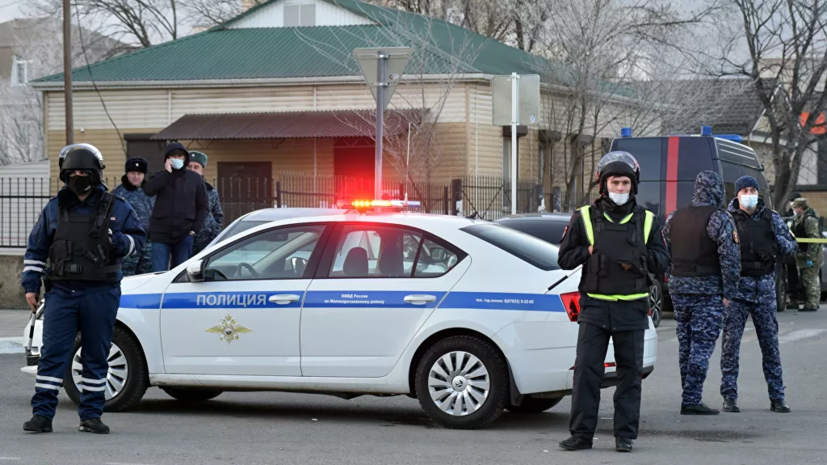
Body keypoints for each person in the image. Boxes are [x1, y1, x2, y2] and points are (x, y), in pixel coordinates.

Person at [21, 144, 146, 434]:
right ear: (66, 175)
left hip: (100, 291)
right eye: (74, 172)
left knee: (95, 354)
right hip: (61, 292)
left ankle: (90, 416)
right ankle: (42, 415)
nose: (79, 176)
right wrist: (30, 285)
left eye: (84, 171)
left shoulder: (118, 206)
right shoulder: (54, 207)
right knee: (53, 354)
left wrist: (121, 242)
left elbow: (139, 241)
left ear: (96, 173)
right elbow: (36, 249)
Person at [557, 151, 669, 453]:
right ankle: (581, 435)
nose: (620, 189)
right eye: (614, 183)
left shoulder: (647, 220)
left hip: (632, 308)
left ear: (633, 186)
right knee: (586, 373)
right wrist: (589, 250)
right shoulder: (583, 218)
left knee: (629, 375)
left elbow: (663, 260)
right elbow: (564, 259)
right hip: (594, 307)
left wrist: (641, 257)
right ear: (603, 185)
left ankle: (625, 436)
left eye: (625, 184)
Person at [663, 170, 740, 415]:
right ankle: (692, 399)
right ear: (716, 188)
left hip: (678, 287)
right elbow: (730, 259)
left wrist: (671, 277)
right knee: (702, 345)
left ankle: (689, 394)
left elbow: (665, 250)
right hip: (707, 290)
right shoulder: (720, 218)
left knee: (685, 344)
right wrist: (729, 291)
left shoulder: (675, 216)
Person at [719, 176, 795, 414]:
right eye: (745, 190)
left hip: (764, 289)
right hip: (737, 290)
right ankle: (729, 396)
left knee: (770, 345)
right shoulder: (726, 219)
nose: (749, 194)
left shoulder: (771, 219)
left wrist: (775, 243)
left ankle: (777, 396)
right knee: (730, 346)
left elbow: (792, 247)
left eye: (753, 190)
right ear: (737, 194)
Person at [144, 142, 208, 271]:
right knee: (158, 273)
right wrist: (167, 174)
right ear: (167, 159)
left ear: (185, 158)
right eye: (173, 156)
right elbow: (149, 190)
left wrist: (194, 230)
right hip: (160, 234)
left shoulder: (195, 178)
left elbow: (203, 206)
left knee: (180, 275)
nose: (177, 159)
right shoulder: (160, 176)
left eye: (180, 156)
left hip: (184, 233)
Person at [112, 158, 155, 275]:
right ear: (127, 174)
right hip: (130, 243)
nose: (136, 176)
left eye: (139, 173)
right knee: (127, 277)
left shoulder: (149, 192)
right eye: (132, 173)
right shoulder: (119, 194)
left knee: (147, 278)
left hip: (148, 244)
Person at [187, 151, 224, 255]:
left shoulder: (210, 191)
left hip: (206, 241)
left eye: (196, 167)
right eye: (189, 167)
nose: (192, 170)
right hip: (185, 241)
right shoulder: (178, 189)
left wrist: (214, 232)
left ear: (202, 170)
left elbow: (218, 215)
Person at [791, 198, 823, 312]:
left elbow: (814, 239)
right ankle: (813, 301)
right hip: (804, 253)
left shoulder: (809, 219)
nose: (793, 210)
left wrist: (810, 256)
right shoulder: (800, 218)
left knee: (810, 279)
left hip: (811, 254)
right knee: (809, 278)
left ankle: (812, 303)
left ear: (800, 208)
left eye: (794, 208)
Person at [783, 192, 802, 310]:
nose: (792, 203)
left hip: (802, 251)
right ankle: (793, 299)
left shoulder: (804, 216)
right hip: (790, 251)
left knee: (804, 276)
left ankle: (805, 298)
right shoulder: (787, 216)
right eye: (791, 201)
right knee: (791, 276)